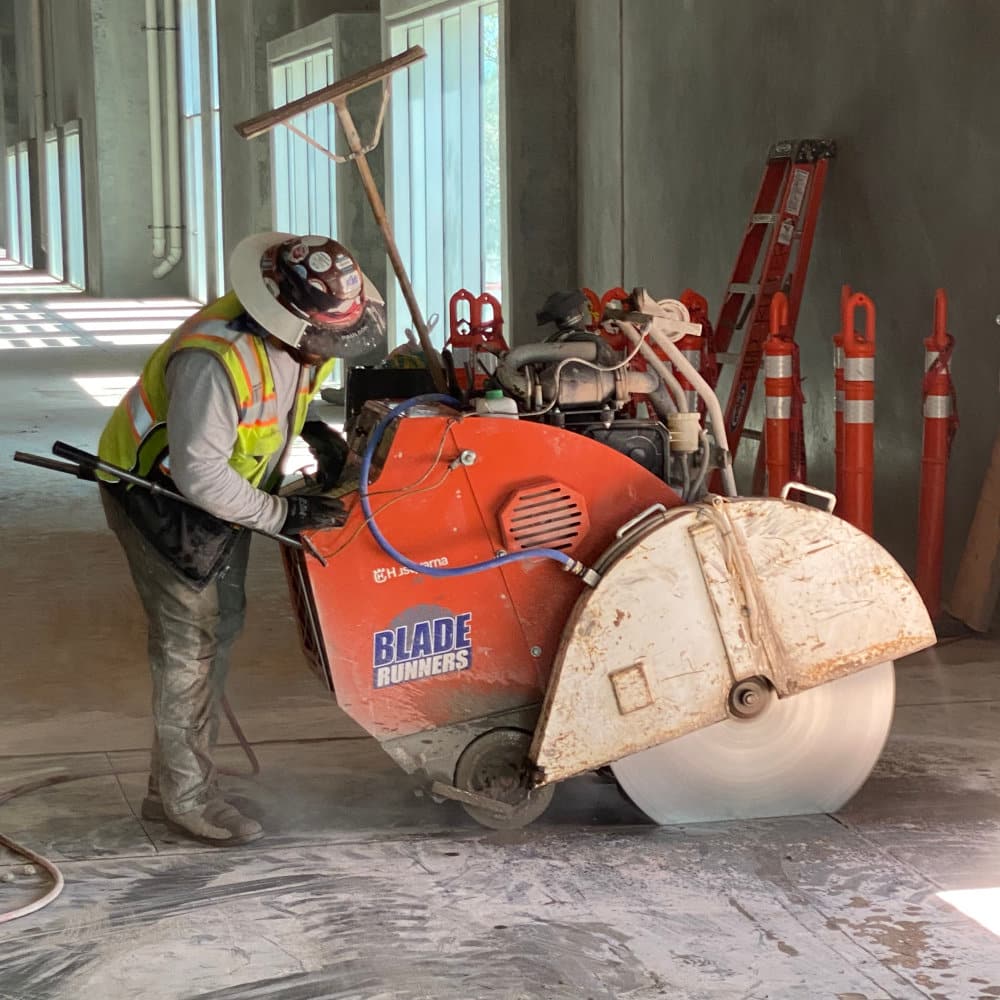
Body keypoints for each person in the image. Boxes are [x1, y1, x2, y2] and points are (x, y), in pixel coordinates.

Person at [97, 232, 387, 846]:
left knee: (221, 622)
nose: (325, 351)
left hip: (222, 490)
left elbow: (281, 391)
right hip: (159, 495)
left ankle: (171, 781)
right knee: (189, 640)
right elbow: (201, 474)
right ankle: (186, 797)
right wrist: (281, 515)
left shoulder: (301, 333)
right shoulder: (212, 361)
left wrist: (310, 427)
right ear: (280, 313)